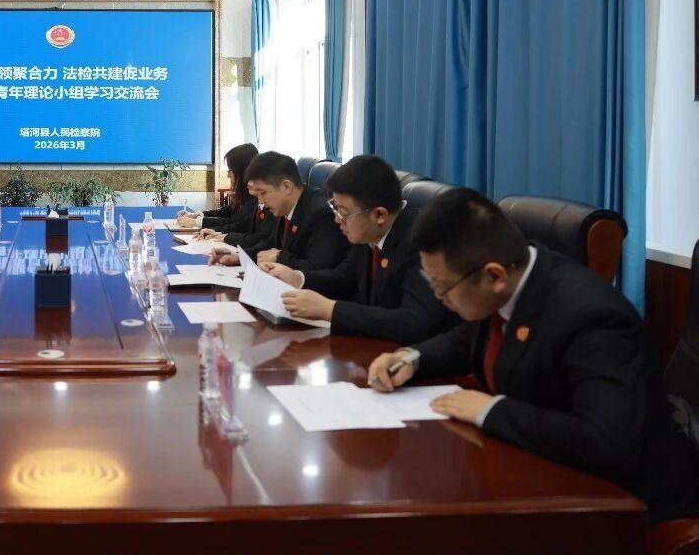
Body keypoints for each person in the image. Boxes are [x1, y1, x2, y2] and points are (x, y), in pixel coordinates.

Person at [368, 188, 699, 524]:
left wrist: (491, 410)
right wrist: (410, 358)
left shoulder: (594, 319)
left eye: (442, 286)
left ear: (494, 276)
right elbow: (465, 341)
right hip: (539, 470)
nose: (439, 297)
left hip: (626, 505)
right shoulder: (508, 283)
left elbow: (603, 441)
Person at [260, 154, 454, 343]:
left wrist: (330, 309)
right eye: (335, 208)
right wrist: (298, 278)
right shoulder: (368, 232)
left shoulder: (422, 244)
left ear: (379, 215)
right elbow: (344, 278)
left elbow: (413, 321)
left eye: (344, 212)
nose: (338, 220)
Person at [209, 151, 348, 269]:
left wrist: (280, 257)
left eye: (263, 192)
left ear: (286, 187)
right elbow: (270, 245)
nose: (261, 202)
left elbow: (318, 267)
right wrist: (239, 257)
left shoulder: (322, 213)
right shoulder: (286, 205)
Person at [178, 143, 259, 237]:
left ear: (242, 171)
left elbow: (234, 224)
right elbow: (225, 212)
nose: (228, 175)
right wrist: (196, 215)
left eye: (230, 171)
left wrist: (196, 222)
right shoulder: (244, 194)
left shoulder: (254, 198)